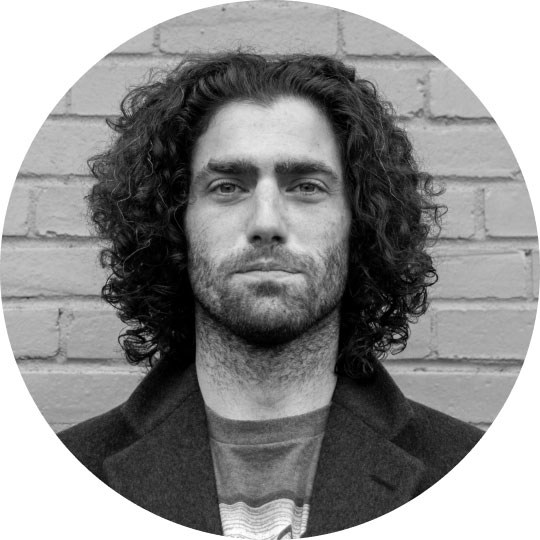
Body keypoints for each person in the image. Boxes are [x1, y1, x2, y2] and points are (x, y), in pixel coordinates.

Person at [58, 52, 482, 538]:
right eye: (227, 187)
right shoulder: (64, 481)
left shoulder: (470, 478)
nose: (265, 223)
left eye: (306, 186)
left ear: (359, 222)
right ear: (174, 222)